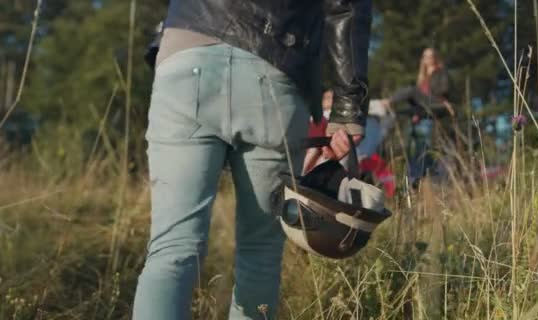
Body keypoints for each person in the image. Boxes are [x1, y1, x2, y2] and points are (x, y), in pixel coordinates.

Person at [133, 1, 371, 319]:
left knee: (172, 249)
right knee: (260, 253)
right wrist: (347, 107)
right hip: (275, 66)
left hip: (186, 56)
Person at [381, 48, 454, 188]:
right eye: (425, 56)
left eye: (430, 55)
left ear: (435, 57)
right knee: (417, 148)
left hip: (436, 104)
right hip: (422, 115)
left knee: (411, 91)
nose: (428, 58)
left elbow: (444, 91)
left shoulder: (441, 72)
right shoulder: (423, 77)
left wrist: (426, 95)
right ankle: (417, 178)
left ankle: (389, 101)